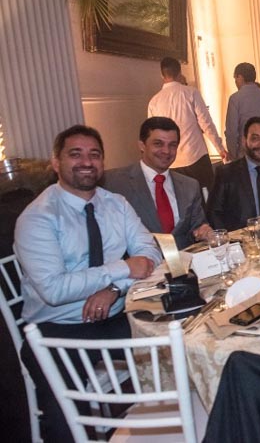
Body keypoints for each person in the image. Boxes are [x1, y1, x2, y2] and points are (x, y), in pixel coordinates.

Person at [15, 125, 162, 442]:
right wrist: (121, 268)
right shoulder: (38, 217)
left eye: (94, 155)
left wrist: (114, 289)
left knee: (182, 351)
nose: (86, 162)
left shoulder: (117, 204)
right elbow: (55, 290)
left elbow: (150, 254)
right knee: (65, 420)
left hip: (116, 315)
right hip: (57, 328)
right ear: (56, 162)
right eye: (75, 154)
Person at [103, 117, 213, 250]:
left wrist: (203, 230)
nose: (166, 151)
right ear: (142, 145)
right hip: (140, 260)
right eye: (158, 144)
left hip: (185, 260)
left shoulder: (190, 185)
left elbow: (197, 226)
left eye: (172, 145)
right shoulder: (115, 183)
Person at [148, 57, 227, 190]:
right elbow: (206, 123)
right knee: (207, 197)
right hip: (195, 156)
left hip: (171, 161)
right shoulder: (191, 93)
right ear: (180, 73)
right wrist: (220, 148)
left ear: (162, 75)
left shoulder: (154, 102)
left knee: (180, 200)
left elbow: (153, 136)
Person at [207, 117, 260, 231]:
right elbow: (214, 214)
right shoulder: (226, 174)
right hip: (239, 239)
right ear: (244, 140)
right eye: (255, 138)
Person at [225, 62, 260, 160]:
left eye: (235, 78)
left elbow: (231, 131)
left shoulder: (235, 98)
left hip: (246, 152)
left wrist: (233, 154)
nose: (235, 82)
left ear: (240, 77)